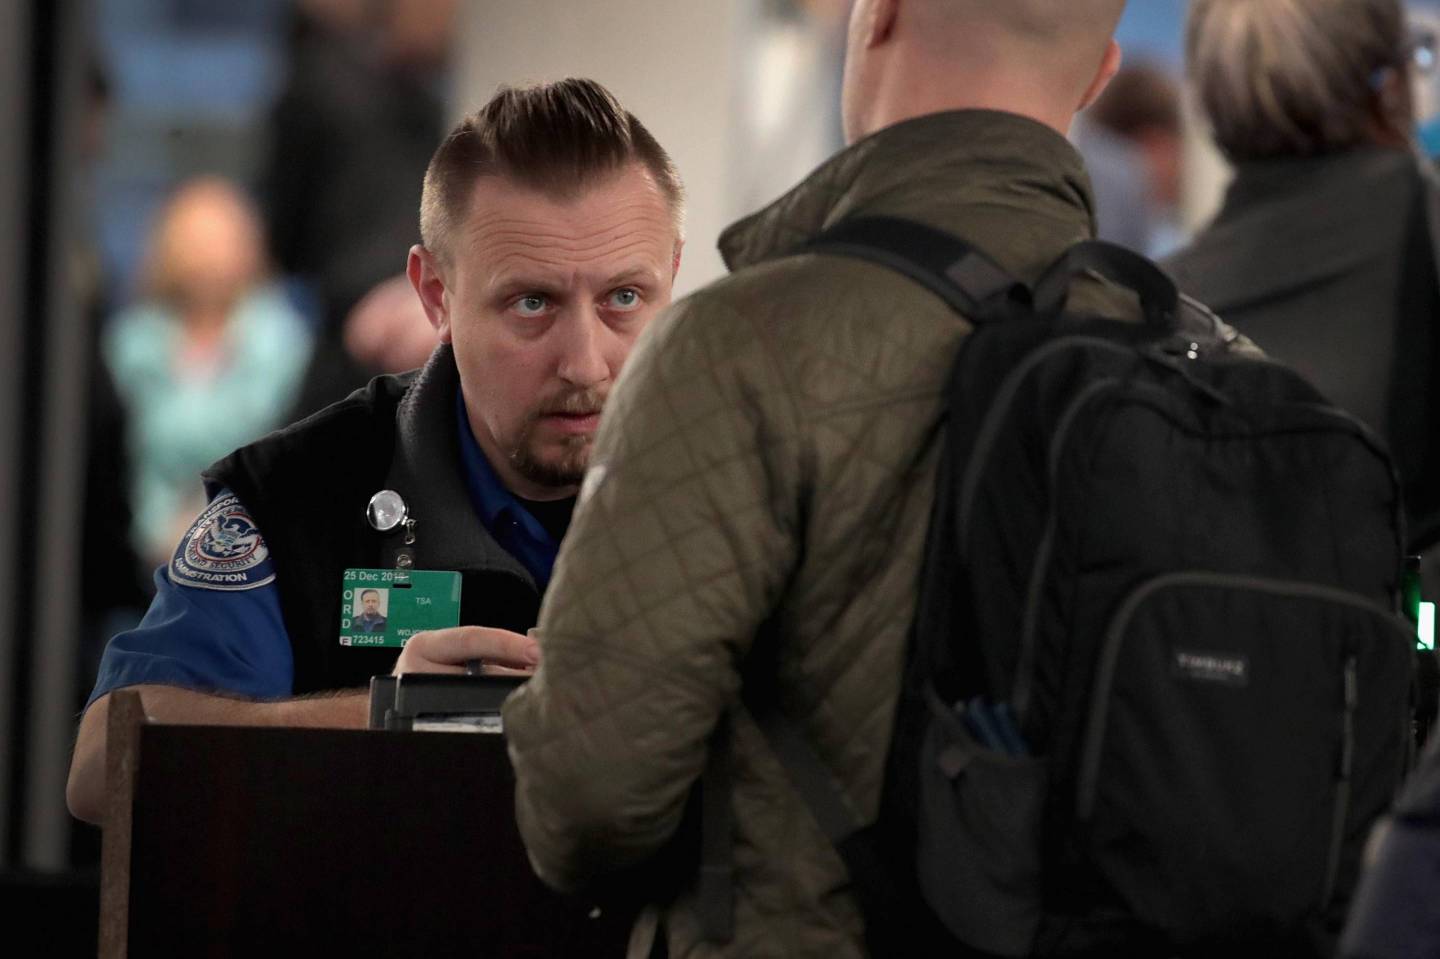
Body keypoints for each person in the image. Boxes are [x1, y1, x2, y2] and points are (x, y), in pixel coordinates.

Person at [502, 1, 1129, 955]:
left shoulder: (738, 347)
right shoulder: (1206, 370)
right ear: (1100, 74)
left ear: (875, 17)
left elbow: (588, 801)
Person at [66, 78, 685, 825]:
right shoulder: (300, 495)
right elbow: (103, 768)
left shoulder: (750, 490)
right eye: (532, 303)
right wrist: (388, 720)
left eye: (623, 298)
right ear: (435, 295)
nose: (586, 363)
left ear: (672, 277)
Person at [1164, 0, 1440, 553]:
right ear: (1392, 85)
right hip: (1410, 631)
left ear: (1209, 101)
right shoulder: (1423, 240)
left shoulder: (1140, 302)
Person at [105, 177, 315, 566]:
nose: (207, 258)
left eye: (219, 241)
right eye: (194, 241)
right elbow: (124, 460)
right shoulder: (131, 343)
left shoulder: (283, 342)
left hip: (256, 548)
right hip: (142, 553)